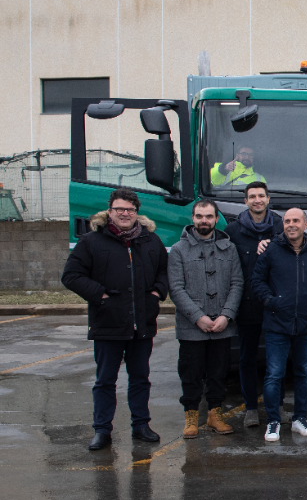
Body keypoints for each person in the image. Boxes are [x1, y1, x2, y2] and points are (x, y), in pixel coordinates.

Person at [62, 188, 169, 452]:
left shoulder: (150, 241)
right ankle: (102, 430)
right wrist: (100, 295)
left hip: (142, 323)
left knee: (140, 377)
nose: (125, 214)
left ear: (137, 213)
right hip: (108, 322)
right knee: (105, 380)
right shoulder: (92, 242)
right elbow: (71, 276)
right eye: (119, 209)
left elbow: (165, 271)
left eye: (130, 210)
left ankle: (141, 425)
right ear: (110, 211)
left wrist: (157, 293)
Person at [251, 207, 307, 442]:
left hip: (306, 324)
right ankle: (274, 421)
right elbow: (257, 279)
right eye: (287, 221)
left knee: (304, 373)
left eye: (296, 220)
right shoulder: (272, 250)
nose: (291, 224)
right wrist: (271, 301)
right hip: (277, 324)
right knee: (274, 374)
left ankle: (299, 419)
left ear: (306, 225)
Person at [168, 199, 243, 439]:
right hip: (191, 326)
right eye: (200, 216)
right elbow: (176, 288)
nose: (204, 221)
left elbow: (237, 283)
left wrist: (227, 315)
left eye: (209, 216)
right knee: (190, 373)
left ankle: (215, 414)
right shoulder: (178, 250)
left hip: (222, 325)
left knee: (218, 373)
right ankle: (191, 416)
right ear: (193, 218)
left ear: (215, 218)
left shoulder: (229, 249)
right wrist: (197, 317)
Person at [223, 181, 282, 428]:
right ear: (245, 201)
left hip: (275, 304)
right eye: (252, 196)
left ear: (268, 199)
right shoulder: (233, 230)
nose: (257, 200)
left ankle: (276, 407)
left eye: (261, 196)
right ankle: (250, 408)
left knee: (276, 358)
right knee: (247, 359)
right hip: (246, 305)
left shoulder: (281, 225)